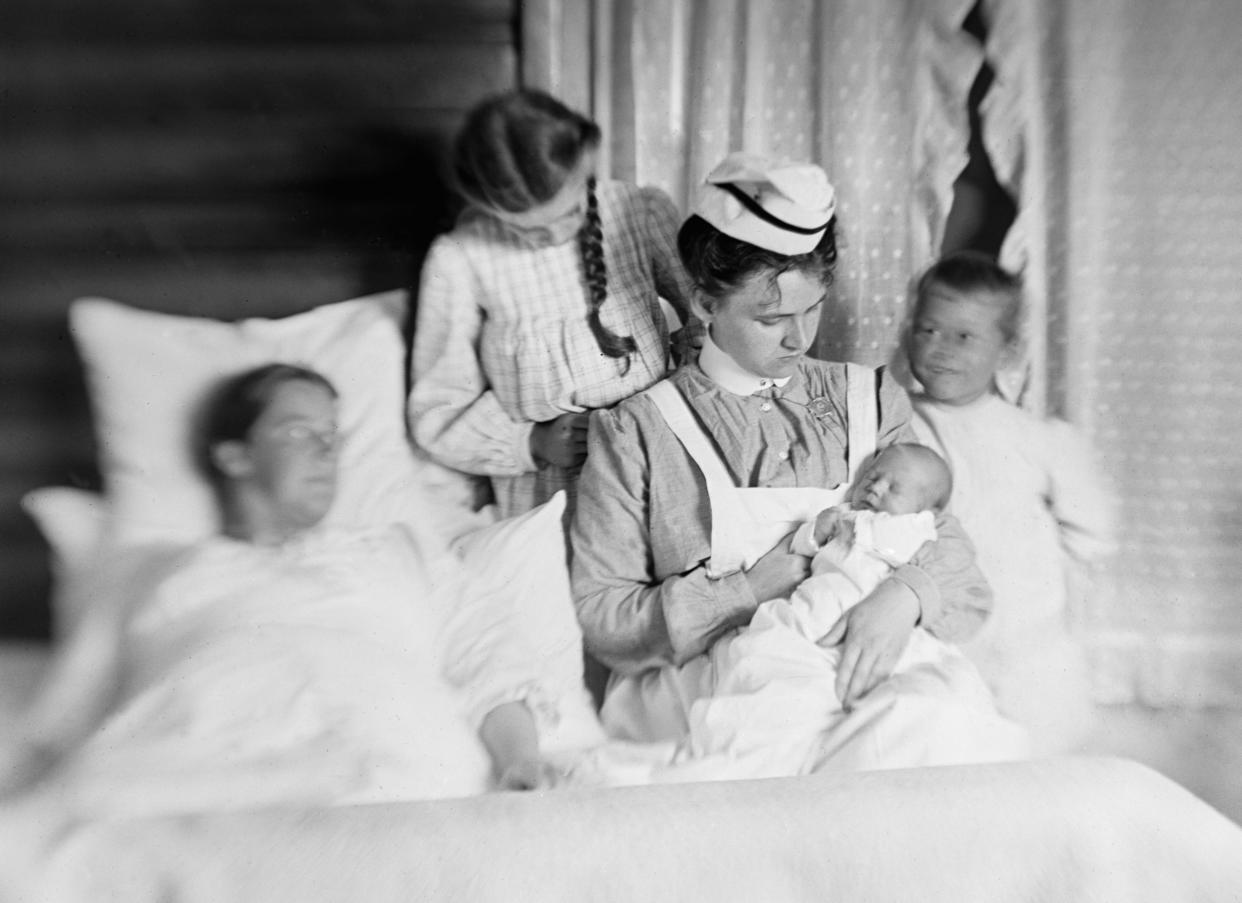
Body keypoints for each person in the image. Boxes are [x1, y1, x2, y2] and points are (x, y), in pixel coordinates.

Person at [570, 153, 1018, 776]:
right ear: (703, 302)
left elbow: (952, 557)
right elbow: (603, 619)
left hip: (870, 664)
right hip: (730, 692)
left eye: (814, 309)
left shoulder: (869, 397)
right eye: (772, 317)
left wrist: (902, 599)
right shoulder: (639, 430)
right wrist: (750, 589)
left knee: (936, 730)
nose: (799, 339)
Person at [0, 364, 564, 815]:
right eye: (300, 431)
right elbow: (66, 719)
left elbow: (492, 661)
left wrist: (519, 765)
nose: (328, 451)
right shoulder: (148, 574)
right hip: (190, 785)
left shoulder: (400, 552)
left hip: (390, 782)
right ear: (234, 455)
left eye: (334, 436)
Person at [408, 88, 696, 520]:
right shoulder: (461, 259)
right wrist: (531, 442)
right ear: (486, 208)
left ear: (587, 164)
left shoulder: (637, 210)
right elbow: (437, 410)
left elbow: (707, 316)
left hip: (657, 453)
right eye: (532, 231)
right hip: (555, 487)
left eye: (571, 211)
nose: (559, 235)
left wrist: (689, 371)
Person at [905, 251, 1115, 754]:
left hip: (1029, 650)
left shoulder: (1038, 438)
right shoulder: (897, 423)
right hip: (939, 646)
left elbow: (1093, 537)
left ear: (1007, 347)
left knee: (1042, 767)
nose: (939, 349)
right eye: (928, 329)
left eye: (964, 336)